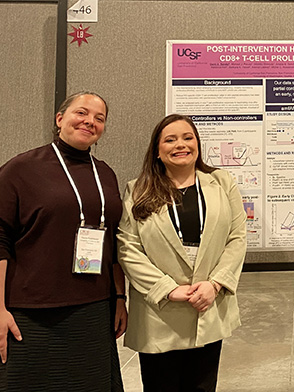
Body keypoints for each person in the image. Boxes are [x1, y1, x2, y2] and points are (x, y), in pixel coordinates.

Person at [0, 92, 128, 391]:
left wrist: (120, 298)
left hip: (93, 310)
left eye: (99, 118)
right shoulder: (21, 169)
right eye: (81, 113)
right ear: (60, 119)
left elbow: (113, 245)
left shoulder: (105, 173)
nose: (90, 122)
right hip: (31, 312)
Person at [117, 114, 246, 391]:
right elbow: (128, 248)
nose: (181, 145)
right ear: (157, 151)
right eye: (170, 139)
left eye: (188, 137)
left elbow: (237, 238)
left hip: (207, 305)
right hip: (159, 312)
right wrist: (167, 289)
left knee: (203, 385)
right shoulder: (138, 190)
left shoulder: (221, 183)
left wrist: (215, 284)